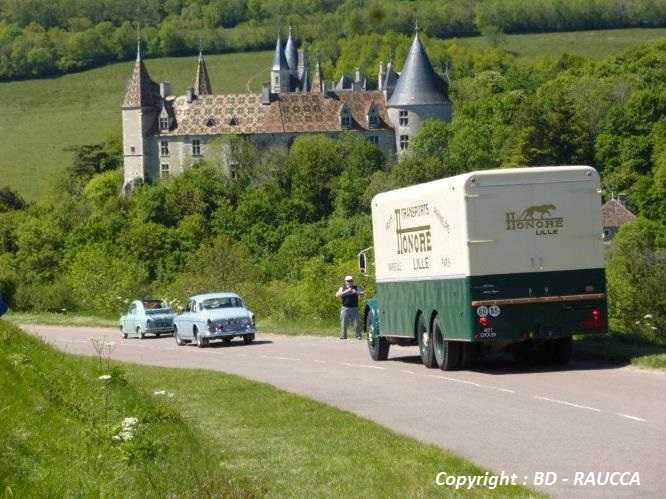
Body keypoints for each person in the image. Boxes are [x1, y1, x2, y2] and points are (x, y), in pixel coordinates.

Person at [335, 275, 364, 339]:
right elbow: (337, 295)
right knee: (344, 323)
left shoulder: (356, 287)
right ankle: (343, 336)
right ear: (346, 281)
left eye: (351, 280)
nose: (350, 282)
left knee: (356, 323)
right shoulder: (342, 288)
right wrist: (346, 291)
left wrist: (355, 292)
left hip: (354, 308)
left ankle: (358, 335)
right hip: (345, 308)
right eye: (348, 281)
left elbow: (362, 293)